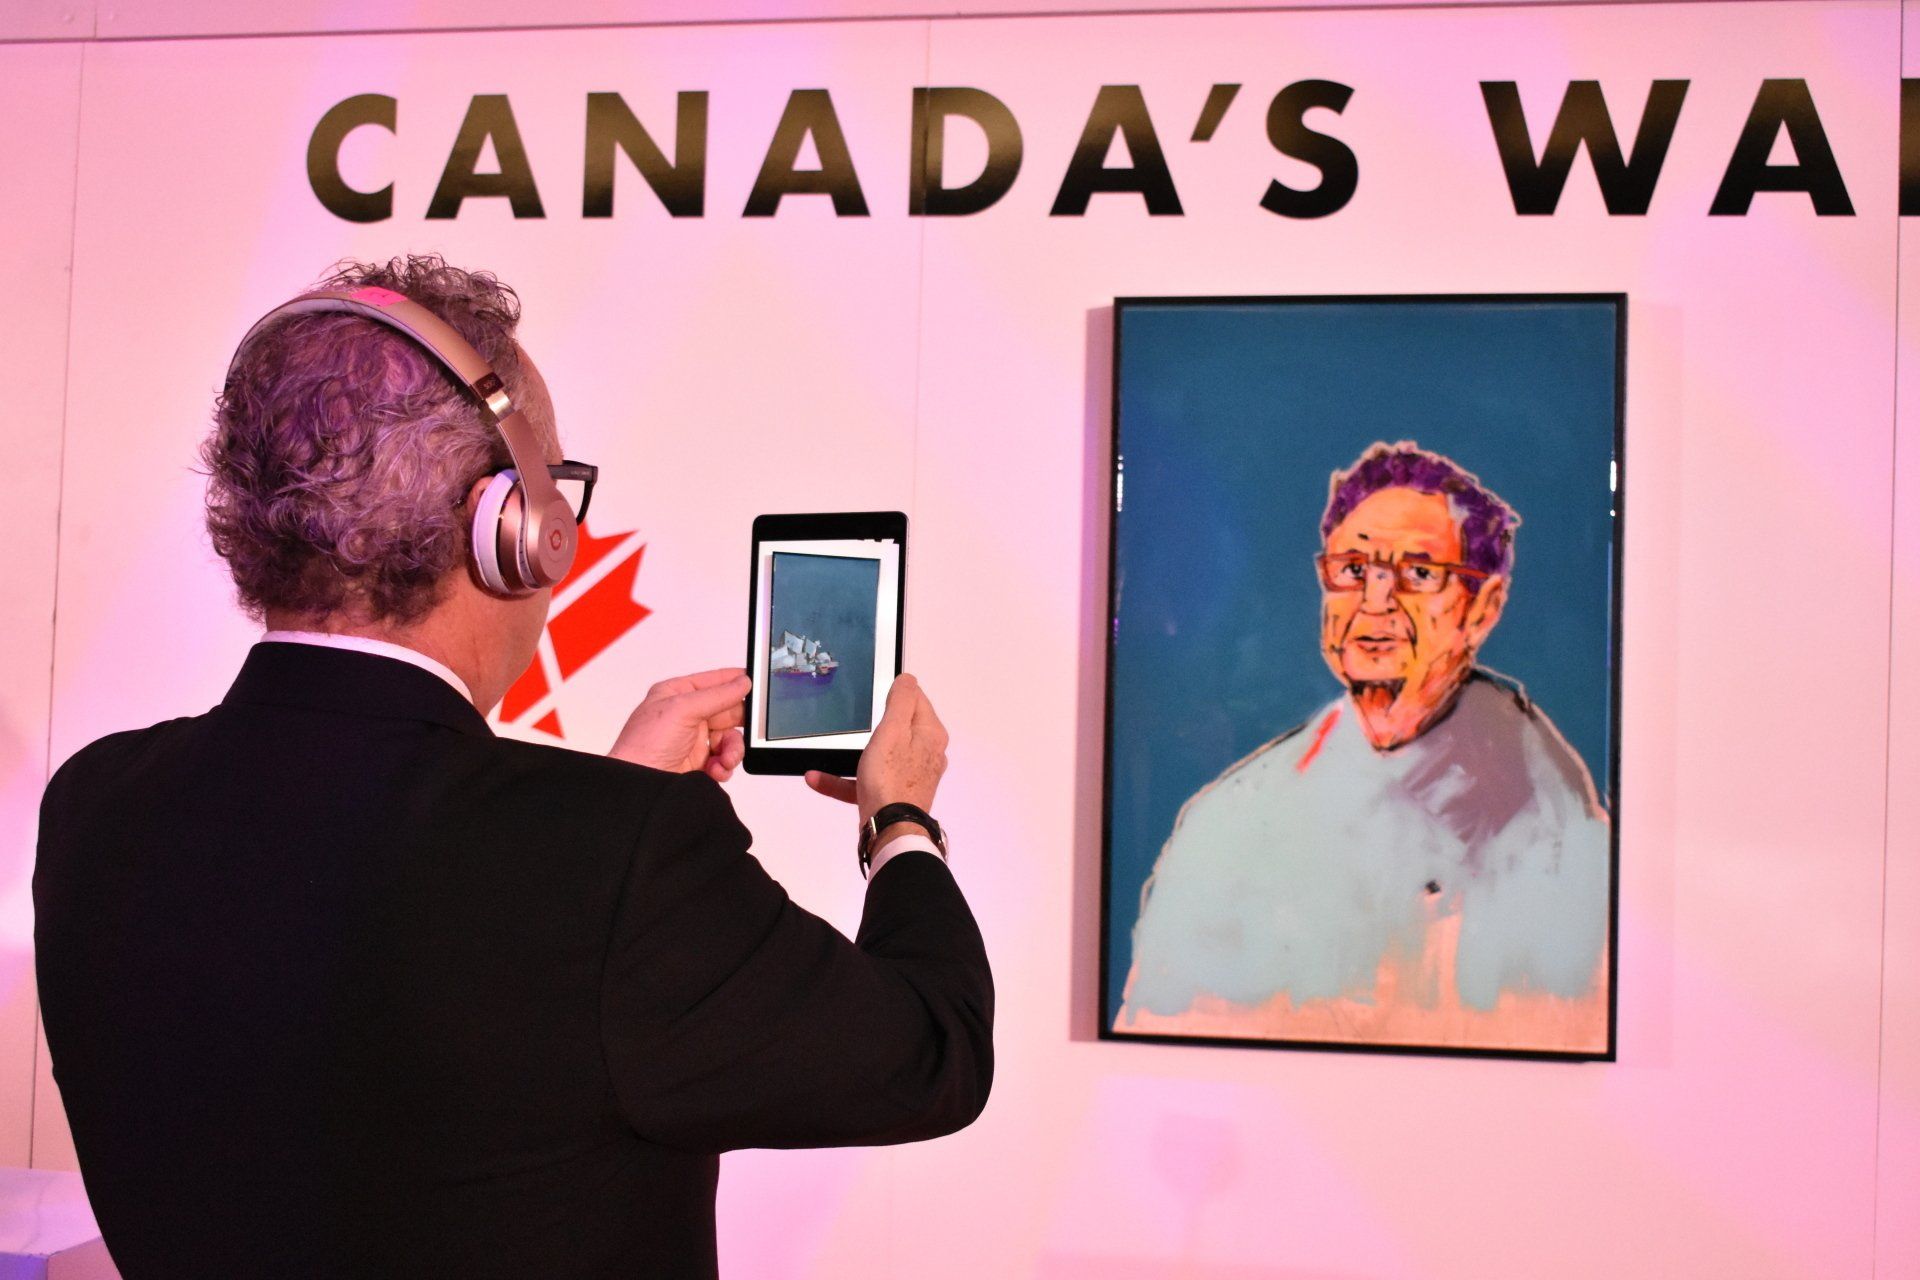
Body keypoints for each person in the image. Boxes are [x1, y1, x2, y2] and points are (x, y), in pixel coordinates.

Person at [33, 256, 991, 1278]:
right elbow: (931, 1052)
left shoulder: (96, 803)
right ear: (511, 527)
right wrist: (900, 824)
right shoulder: (617, 858)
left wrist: (614, 810)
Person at [1117, 441, 1609, 1052]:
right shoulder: (1229, 816)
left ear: (1482, 608)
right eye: (1353, 570)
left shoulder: (1559, 826)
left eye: (1419, 574)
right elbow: (1160, 1025)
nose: (1375, 602)